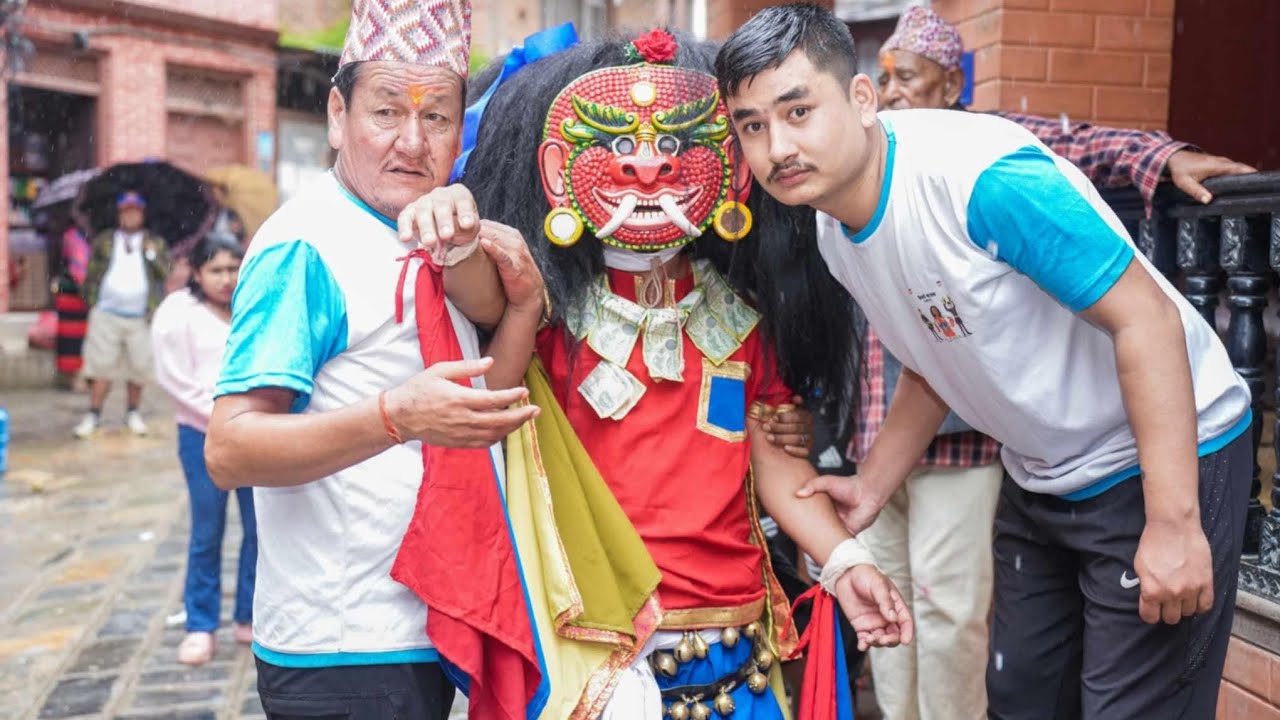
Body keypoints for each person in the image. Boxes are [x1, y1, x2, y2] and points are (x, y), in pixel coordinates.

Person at [716, 5, 1253, 719]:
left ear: (863, 99)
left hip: (1157, 459)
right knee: (1019, 701)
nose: (778, 145)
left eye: (798, 110)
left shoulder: (981, 181)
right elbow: (930, 358)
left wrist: (1176, 522)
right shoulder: (834, 229)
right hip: (1043, 474)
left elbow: (1146, 320)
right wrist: (870, 486)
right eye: (753, 125)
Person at [459, 28, 910, 719]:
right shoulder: (543, 318)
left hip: (734, 647)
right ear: (558, 172)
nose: (647, 170)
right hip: (591, 642)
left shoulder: (745, 321)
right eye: (616, 144)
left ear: (729, 171)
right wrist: (454, 231)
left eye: (674, 146)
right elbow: (486, 404)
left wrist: (846, 561)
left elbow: (774, 465)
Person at [203, 0, 546, 717]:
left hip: (424, 626)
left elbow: (482, 415)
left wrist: (521, 304)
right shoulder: (306, 247)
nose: (411, 143)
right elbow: (230, 449)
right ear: (337, 114)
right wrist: (395, 415)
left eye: (437, 117)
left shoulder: (431, 229)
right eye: (386, 111)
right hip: (342, 649)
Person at [151, 234, 255, 666]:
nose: (227, 279)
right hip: (202, 434)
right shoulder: (178, 313)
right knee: (206, 530)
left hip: (258, 431)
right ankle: (200, 624)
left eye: (233, 268)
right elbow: (175, 378)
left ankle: (250, 615)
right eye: (216, 270)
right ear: (196, 272)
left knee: (262, 527)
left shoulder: (253, 304)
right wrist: (225, 414)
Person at [75, 191, 170, 439]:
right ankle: (93, 415)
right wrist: (92, 301)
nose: (130, 216)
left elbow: (165, 272)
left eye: (135, 211)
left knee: (139, 368)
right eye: (126, 212)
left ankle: (132, 414)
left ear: (142, 215)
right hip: (106, 314)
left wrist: (150, 253)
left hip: (140, 316)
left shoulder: (154, 242)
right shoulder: (106, 240)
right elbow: (92, 273)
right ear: (119, 215)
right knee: (100, 367)